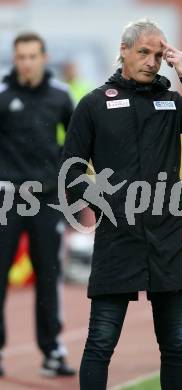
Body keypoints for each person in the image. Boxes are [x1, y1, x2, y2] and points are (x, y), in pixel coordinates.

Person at [61, 19, 182, 390]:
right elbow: (69, 173)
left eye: (158, 54)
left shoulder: (170, 100)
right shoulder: (93, 105)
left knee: (175, 344)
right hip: (117, 241)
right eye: (143, 52)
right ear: (123, 50)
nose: (152, 61)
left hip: (169, 240)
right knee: (101, 342)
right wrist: (103, 203)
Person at [0, 33, 76, 377]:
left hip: (46, 199)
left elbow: (77, 148)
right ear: (15, 59)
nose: (27, 62)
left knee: (49, 274)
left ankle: (52, 351)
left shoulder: (60, 97)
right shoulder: (2, 96)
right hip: (7, 199)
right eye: (21, 57)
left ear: (44, 57)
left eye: (32, 56)